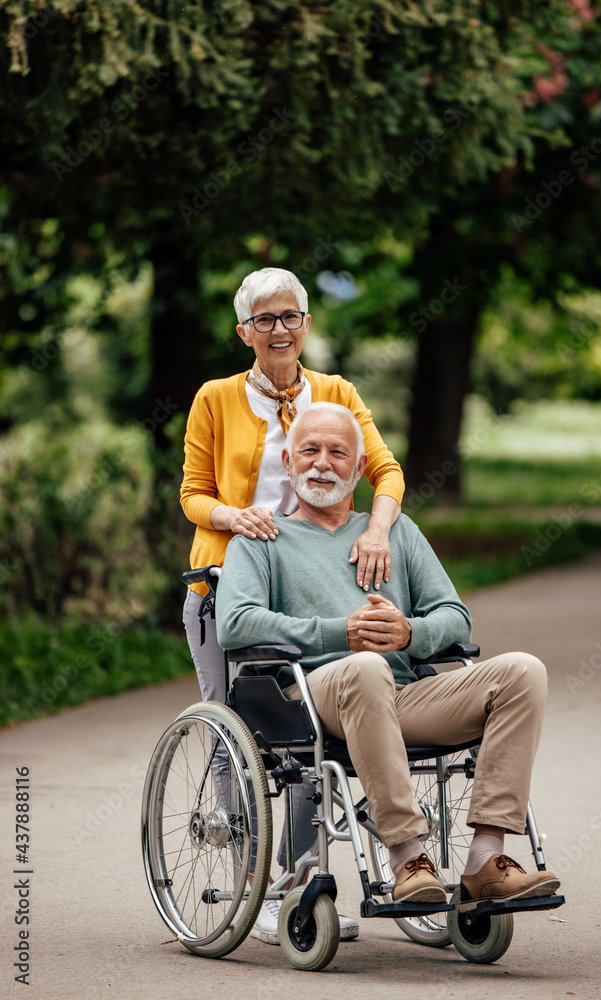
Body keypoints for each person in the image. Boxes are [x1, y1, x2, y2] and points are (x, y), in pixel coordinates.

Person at [217, 403, 561, 908]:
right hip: (310, 699)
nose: (322, 462)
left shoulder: (396, 532)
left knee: (523, 672)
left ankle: (487, 860)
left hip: (400, 695)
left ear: (359, 469)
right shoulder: (263, 537)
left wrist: (409, 634)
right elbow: (235, 623)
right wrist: (341, 632)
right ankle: (407, 858)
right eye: (309, 450)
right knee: (365, 666)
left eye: (338, 453)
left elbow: (454, 615)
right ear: (288, 463)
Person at [180, 267, 404, 942]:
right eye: (264, 319)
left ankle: (297, 879)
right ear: (243, 331)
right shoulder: (216, 398)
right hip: (229, 583)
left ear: (306, 323)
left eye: (290, 317)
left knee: (310, 733)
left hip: (311, 583)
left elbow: (384, 469)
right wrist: (232, 514)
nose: (279, 330)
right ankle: (249, 881)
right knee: (234, 733)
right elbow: (191, 493)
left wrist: (375, 528)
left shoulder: (334, 393)